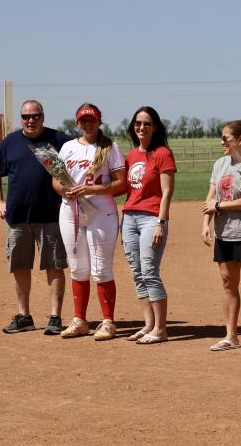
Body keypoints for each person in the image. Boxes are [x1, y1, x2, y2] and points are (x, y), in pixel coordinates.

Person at [0, 99, 70, 335]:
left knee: (54, 266)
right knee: (20, 266)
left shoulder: (59, 140)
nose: (31, 120)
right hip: (18, 217)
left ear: (43, 117)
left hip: (50, 216)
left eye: (35, 116)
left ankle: (55, 318)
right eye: (26, 117)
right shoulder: (9, 143)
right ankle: (24, 316)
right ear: (21, 118)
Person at [53, 103, 125, 341]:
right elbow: (56, 179)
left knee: (101, 268)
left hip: (100, 210)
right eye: (83, 120)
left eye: (92, 119)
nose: (88, 123)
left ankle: (108, 322)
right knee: (78, 268)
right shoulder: (67, 147)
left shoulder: (109, 147)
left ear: (99, 121)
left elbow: (120, 183)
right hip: (70, 209)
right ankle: (80, 320)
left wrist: (94, 188)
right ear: (77, 123)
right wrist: (63, 190)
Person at [202, 120, 241, 354]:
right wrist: (205, 224)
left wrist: (220, 206)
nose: (222, 142)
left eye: (226, 138)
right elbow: (210, 198)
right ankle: (231, 336)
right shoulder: (220, 164)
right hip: (224, 233)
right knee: (228, 284)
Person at [121, 106, 176, 344]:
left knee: (149, 271)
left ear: (155, 127)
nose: (141, 127)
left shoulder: (162, 153)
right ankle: (148, 325)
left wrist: (161, 223)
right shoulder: (132, 155)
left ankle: (161, 329)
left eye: (146, 123)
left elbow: (167, 193)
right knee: (137, 273)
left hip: (151, 218)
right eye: (137, 123)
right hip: (129, 218)